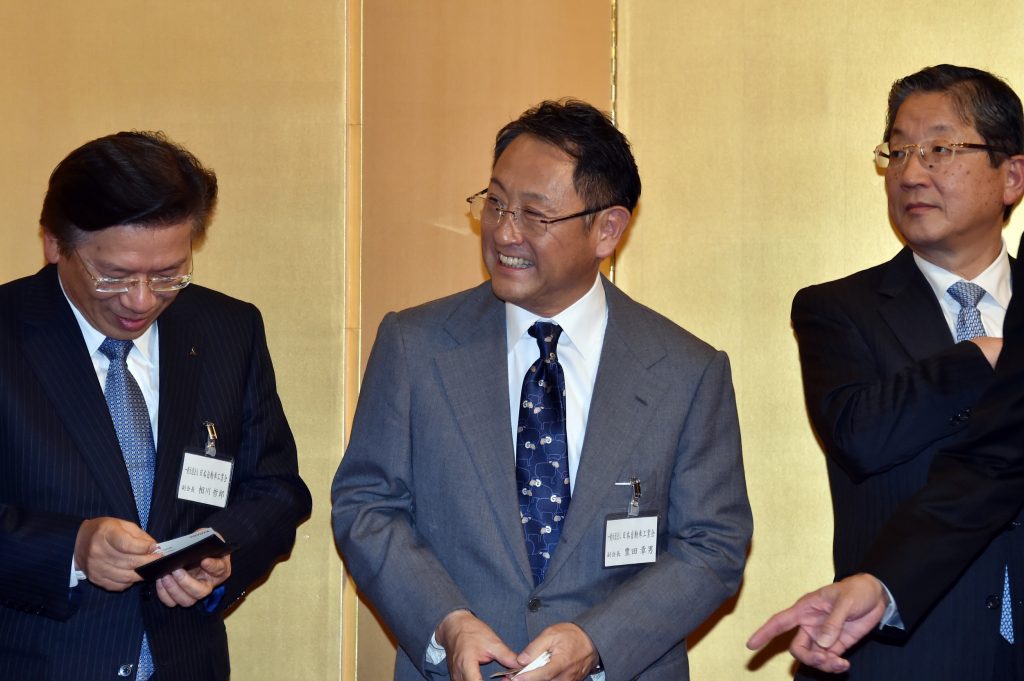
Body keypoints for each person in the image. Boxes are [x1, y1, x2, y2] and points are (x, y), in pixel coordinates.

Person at [332, 100, 752, 681]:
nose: (504, 231)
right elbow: (366, 505)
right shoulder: (415, 345)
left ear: (607, 229)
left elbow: (713, 545)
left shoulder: (686, 369)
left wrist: (598, 640)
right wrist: (446, 623)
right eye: (496, 203)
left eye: (536, 215)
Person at [0, 131, 312, 680]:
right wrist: (70, 549)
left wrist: (224, 555)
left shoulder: (226, 330)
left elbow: (276, 489)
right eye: (114, 275)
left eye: (169, 274)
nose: (142, 300)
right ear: (54, 243)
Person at [747, 65, 1024, 678]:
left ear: (1012, 175)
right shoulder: (838, 309)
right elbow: (860, 435)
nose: (911, 172)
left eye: (940, 149)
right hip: (908, 652)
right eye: (897, 151)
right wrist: (981, 356)